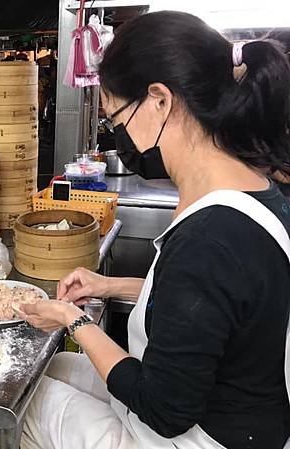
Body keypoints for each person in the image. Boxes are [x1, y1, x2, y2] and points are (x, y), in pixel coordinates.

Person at [18, 11, 290, 449]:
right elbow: (208, 305)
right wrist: (108, 285)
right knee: (54, 370)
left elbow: (163, 410)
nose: (120, 139)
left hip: (195, 436)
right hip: (239, 414)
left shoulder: (211, 237)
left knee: (26, 400)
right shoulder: (259, 188)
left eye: (118, 120)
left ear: (161, 100)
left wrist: (73, 319)